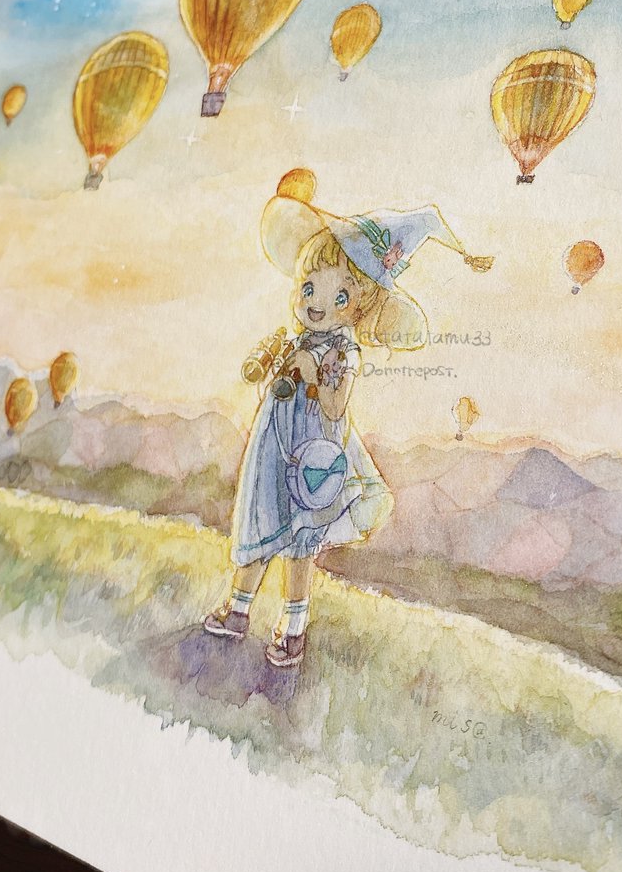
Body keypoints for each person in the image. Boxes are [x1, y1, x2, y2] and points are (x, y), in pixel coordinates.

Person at [204, 173, 491, 667]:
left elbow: (336, 409)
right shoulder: (295, 340)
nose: (317, 303)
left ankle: (293, 628)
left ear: (361, 306)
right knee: (260, 520)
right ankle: (239, 608)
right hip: (274, 446)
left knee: (300, 541)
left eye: (339, 297)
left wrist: (312, 375)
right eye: (308, 287)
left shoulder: (344, 352)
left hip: (313, 454)